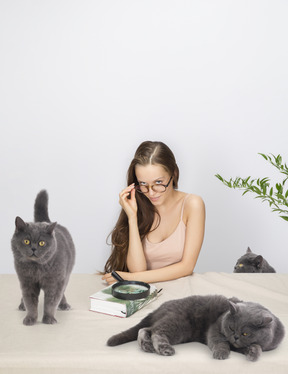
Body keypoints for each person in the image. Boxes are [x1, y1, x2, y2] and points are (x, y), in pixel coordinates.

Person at [102, 141, 205, 285]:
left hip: (178, 289)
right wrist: (132, 217)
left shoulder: (192, 204)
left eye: (158, 183)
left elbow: (187, 267)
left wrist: (129, 278)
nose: (151, 193)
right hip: (142, 290)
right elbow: (138, 270)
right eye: (143, 184)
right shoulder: (137, 204)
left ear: (173, 174)